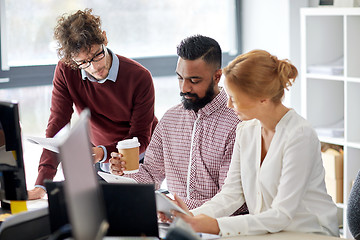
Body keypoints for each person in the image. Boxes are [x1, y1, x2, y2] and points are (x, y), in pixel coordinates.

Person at [171, 50, 339, 237]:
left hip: (309, 233)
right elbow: (232, 194)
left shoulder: (300, 135)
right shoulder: (246, 130)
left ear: (263, 99)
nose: (228, 105)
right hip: (270, 232)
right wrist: (190, 217)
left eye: (234, 98)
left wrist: (215, 225)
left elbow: (281, 215)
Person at [28, 9, 156, 200]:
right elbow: (57, 126)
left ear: (104, 38)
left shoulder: (139, 76)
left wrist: (101, 153)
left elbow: (140, 137)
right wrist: (41, 184)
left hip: (138, 155)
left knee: (131, 216)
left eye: (97, 55)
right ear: (72, 60)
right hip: (98, 153)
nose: (95, 68)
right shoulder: (66, 70)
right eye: (83, 62)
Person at [110, 35, 246, 211]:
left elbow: (230, 199)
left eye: (194, 81)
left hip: (221, 227)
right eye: (180, 78)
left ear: (217, 76)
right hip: (175, 221)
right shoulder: (170, 119)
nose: (184, 88)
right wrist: (126, 173)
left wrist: (177, 207)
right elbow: (151, 175)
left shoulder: (237, 123)